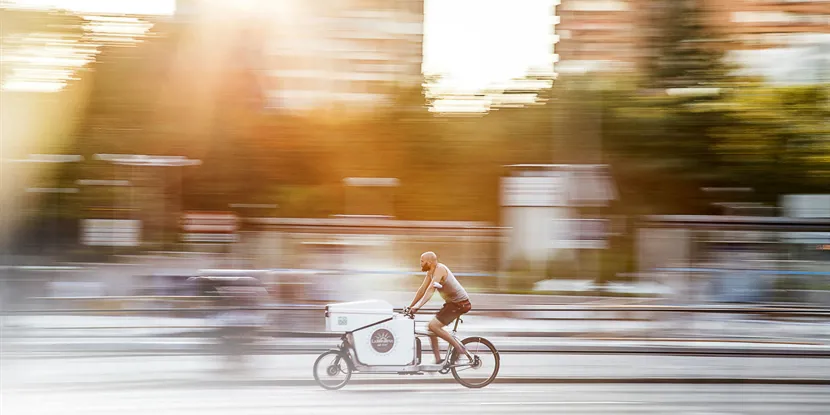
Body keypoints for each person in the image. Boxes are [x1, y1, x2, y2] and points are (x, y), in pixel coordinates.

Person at [407, 251, 473, 364]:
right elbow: (422, 290)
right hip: (451, 303)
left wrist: (417, 307)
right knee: (430, 328)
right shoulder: (430, 272)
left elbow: (430, 290)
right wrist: (411, 306)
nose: (420, 264)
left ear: (429, 262)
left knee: (433, 326)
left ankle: (459, 348)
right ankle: (438, 360)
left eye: (422, 261)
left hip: (460, 303)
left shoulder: (440, 269)